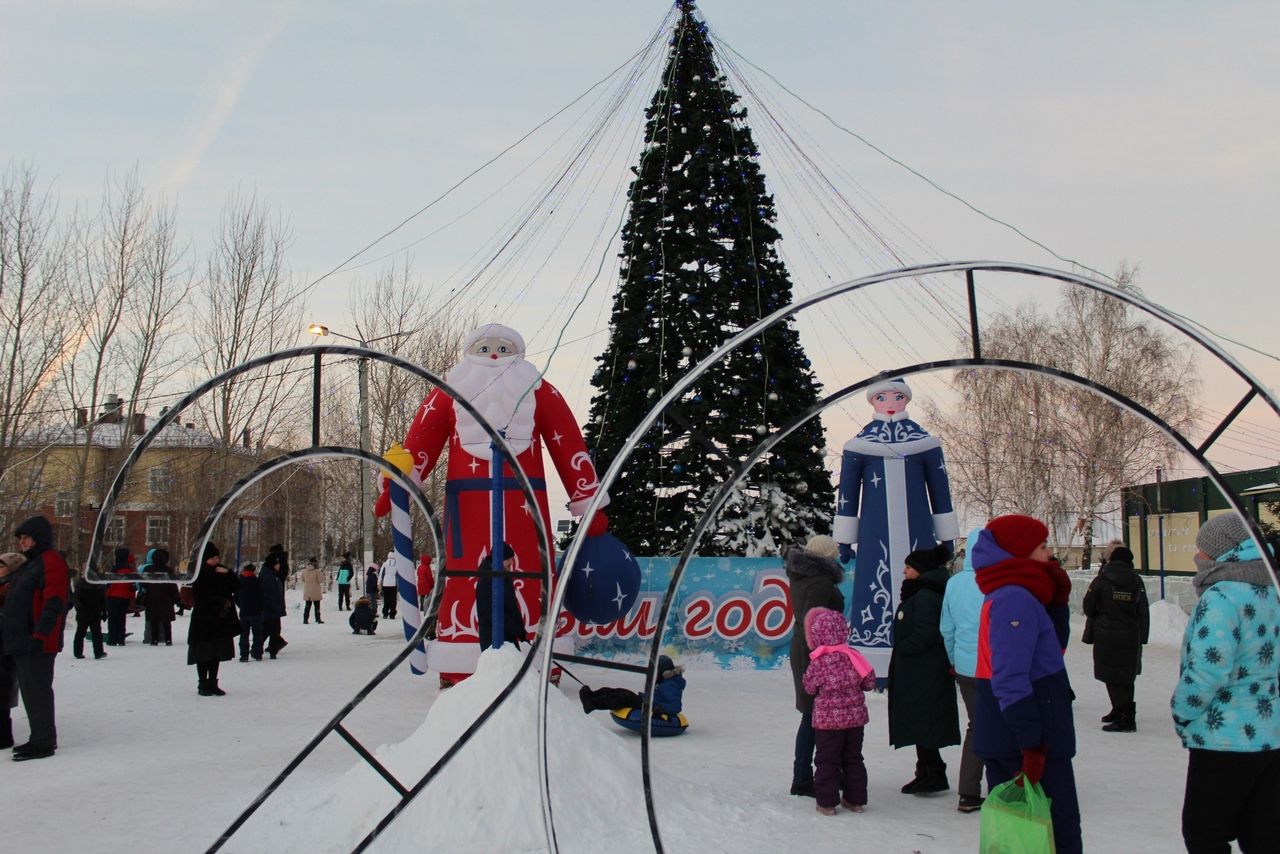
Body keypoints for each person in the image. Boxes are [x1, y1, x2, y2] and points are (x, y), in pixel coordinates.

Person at [373, 323, 609, 687]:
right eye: (485, 350)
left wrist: (587, 498)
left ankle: (536, 652)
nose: (494, 356)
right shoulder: (448, 392)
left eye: (503, 349)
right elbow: (420, 439)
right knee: (467, 577)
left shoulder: (537, 390)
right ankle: (461, 657)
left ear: (518, 354)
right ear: (470, 355)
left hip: (526, 501)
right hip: (466, 503)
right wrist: (400, 480)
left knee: (530, 573)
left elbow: (568, 443)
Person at [831, 378, 959, 679]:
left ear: (906, 400)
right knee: (875, 586)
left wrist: (947, 535)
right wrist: (846, 539)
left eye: (898, 396)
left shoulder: (925, 443)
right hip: (875, 533)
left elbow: (941, 490)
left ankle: (921, 656)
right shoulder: (858, 446)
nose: (890, 403)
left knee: (922, 591)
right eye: (883, 397)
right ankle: (873, 659)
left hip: (918, 529)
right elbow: (846, 494)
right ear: (873, 401)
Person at [971, 514, 1080, 854]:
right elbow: (1010, 677)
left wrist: (1058, 604)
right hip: (1021, 740)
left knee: (1043, 836)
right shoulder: (1013, 597)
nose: (1050, 554)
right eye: (1042, 546)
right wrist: (1031, 745)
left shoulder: (1024, 594)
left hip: (1029, 734)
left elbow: (1051, 651)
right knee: (1049, 836)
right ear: (1019, 552)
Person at [1172, 514, 1280, 853]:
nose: (1198, 557)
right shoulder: (1271, 591)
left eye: (1202, 550)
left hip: (1224, 741)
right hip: (1270, 735)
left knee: (1204, 832)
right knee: (1263, 835)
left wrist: (1182, 711)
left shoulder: (1221, 598)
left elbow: (1208, 669)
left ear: (1222, 554)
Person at [889, 543, 961, 796]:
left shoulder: (927, 595)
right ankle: (927, 770)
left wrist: (903, 648)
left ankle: (933, 773)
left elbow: (927, 632)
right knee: (920, 719)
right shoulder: (921, 591)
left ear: (920, 570)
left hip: (924, 668)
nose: (904, 572)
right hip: (918, 667)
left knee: (924, 719)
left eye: (908, 568)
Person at [3, 515, 70, 760]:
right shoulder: (32, 563)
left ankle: (43, 742)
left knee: (38, 689)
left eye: (26, 538)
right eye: (20, 538)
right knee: (31, 690)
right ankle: (38, 737)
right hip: (22, 639)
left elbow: (54, 602)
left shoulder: (51, 562)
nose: (22, 542)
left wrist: (40, 634)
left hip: (37, 640)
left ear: (38, 538)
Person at [785, 534, 845, 798]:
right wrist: (823, 659)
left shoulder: (803, 576)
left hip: (804, 648)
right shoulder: (820, 581)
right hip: (814, 652)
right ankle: (803, 778)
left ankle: (807, 774)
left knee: (812, 714)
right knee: (813, 715)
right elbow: (815, 623)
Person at [801, 607, 876, 815]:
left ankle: (826, 803)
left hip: (827, 723)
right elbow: (869, 682)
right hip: (855, 720)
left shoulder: (818, 662)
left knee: (827, 760)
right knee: (853, 758)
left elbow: (808, 687)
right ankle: (855, 800)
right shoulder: (854, 656)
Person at [940, 529, 987, 813]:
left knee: (976, 726)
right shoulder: (999, 583)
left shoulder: (954, 584)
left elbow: (947, 628)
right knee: (1004, 726)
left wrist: (954, 659)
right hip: (996, 667)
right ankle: (1005, 787)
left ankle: (968, 792)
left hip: (966, 667)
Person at [1082, 543, 1149, 733]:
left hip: (1106, 633)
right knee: (1127, 675)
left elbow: (1088, 605)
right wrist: (1143, 634)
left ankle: (1124, 718)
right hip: (1130, 634)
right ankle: (1122, 712)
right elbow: (1142, 608)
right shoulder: (1136, 580)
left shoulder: (1102, 579)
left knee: (1111, 675)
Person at [187, 543, 239, 696]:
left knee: (216, 653)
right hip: (204, 619)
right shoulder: (199, 573)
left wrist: (229, 573)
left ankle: (213, 682)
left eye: (217, 557)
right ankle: (203, 683)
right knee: (204, 653)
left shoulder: (221, 571)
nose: (216, 560)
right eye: (213, 558)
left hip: (220, 619)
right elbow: (200, 596)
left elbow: (236, 587)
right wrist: (219, 601)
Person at [580, 654, 686, 718]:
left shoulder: (671, 684)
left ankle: (592, 703)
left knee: (622, 697)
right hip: (645, 701)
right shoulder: (664, 681)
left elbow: (676, 706)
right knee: (619, 691)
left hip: (649, 706)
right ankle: (591, 695)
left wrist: (659, 708)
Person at [474, 543, 526, 651]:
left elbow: (512, 606)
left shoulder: (504, 576)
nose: (511, 563)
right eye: (508, 559)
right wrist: (515, 629)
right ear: (498, 559)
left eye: (512, 559)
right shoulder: (486, 581)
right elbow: (491, 612)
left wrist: (520, 629)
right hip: (494, 640)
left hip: (507, 636)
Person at [0, 551, 25, 750]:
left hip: (6, 642)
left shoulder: (13, 586)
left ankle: (3, 736)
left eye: (2, 566)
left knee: (4, 687)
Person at [141, 548, 179, 646]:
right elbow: (172, 585)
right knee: (166, 621)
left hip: (151, 598)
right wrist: (176, 598)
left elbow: (143, 584)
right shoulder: (168, 570)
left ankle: (154, 640)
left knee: (154, 620)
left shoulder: (148, 569)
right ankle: (168, 640)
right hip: (166, 599)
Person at [71, 566, 107, 660]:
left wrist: (104, 611)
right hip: (88, 611)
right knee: (89, 632)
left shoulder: (86, 583)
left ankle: (94, 652)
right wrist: (104, 611)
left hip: (90, 612)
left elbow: (102, 599)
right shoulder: (96, 584)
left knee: (92, 633)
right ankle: (86, 652)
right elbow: (76, 598)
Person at [105, 547, 137, 646]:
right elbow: (132, 585)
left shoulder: (115, 568)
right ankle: (120, 639)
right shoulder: (130, 569)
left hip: (113, 596)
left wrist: (106, 593)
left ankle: (112, 639)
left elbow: (110, 584)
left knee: (112, 619)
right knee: (121, 618)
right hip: (125, 596)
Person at [259, 552, 288, 659]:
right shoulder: (269, 576)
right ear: (273, 564)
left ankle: (272, 649)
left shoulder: (272, 574)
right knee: (270, 630)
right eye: (277, 564)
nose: (279, 565)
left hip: (273, 608)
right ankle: (261, 649)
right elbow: (268, 594)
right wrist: (273, 607)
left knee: (272, 630)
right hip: (270, 609)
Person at [235, 563, 265, 662]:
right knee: (257, 634)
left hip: (244, 612)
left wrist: (241, 605)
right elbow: (261, 597)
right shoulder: (257, 581)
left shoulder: (239, 581)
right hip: (256, 612)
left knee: (244, 634)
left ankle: (244, 655)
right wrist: (261, 608)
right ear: (253, 571)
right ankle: (257, 654)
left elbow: (236, 597)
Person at [301, 557, 324, 624]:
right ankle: (318, 619)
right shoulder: (317, 571)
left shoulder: (305, 570)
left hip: (307, 591)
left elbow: (302, 579)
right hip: (315, 591)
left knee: (307, 606)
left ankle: (305, 619)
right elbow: (321, 580)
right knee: (317, 606)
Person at [379, 551, 399, 620]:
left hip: (385, 584)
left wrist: (379, 583)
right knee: (393, 600)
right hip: (393, 584)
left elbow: (381, 574)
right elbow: (398, 575)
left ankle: (385, 613)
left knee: (386, 599)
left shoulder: (385, 564)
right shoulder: (397, 564)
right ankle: (392, 614)